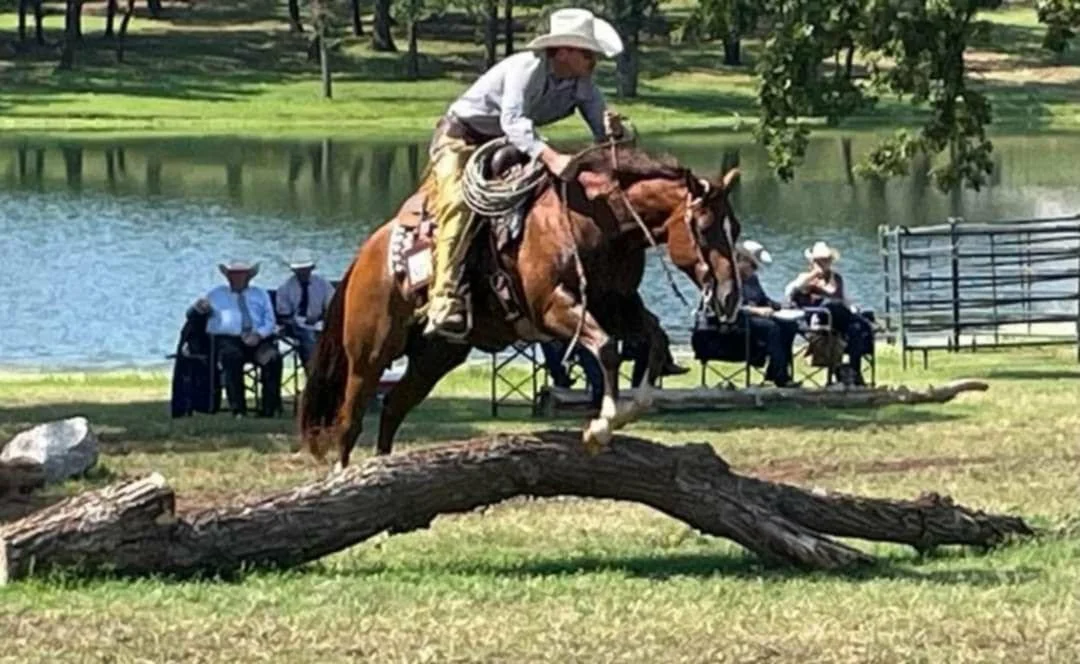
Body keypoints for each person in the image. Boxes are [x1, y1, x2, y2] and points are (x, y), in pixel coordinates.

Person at [421, 8, 626, 340]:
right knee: (458, 205)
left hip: (510, 146)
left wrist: (616, 132)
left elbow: (604, 133)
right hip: (462, 139)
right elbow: (513, 122)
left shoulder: (582, 83)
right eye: (588, 53)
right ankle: (443, 299)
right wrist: (552, 157)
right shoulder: (525, 68)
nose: (594, 61)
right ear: (563, 51)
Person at [190, 259, 282, 417]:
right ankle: (238, 409)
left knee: (273, 359)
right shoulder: (216, 294)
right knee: (231, 358)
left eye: (241, 275)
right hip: (228, 339)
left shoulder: (260, 294)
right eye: (233, 275)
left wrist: (258, 335)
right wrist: (199, 308)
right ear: (228, 277)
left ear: (248, 277)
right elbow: (194, 313)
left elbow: (270, 320)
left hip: (257, 339)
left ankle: (269, 409)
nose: (237, 278)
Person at [785, 241, 872, 385]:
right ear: (812, 262)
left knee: (857, 328)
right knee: (831, 305)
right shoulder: (806, 279)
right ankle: (862, 321)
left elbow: (847, 301)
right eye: (820, 261)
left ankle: (854, 370)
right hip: (818, 320)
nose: (824, 264)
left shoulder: (837, 278)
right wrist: (814, 274)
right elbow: (790, 291)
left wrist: (852, 309)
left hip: (840, 322)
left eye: (826, 260)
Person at [735, 240, 799, 387]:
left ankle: (775, 370)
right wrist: (757, 310)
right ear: (740, 261)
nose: (754, 269)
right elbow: (733, 307)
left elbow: (763, 300)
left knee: (790, 326)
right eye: (752, 265)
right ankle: (781, 377)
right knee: (773, 328)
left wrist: (781, 306)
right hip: (740, 321)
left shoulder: (752, 279)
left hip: (759, 319)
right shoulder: (730, 281)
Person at [275, 249, 335, 368]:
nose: (303, 272)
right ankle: (313, 371)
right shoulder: (285, 288)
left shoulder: (322, 284)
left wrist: (322, 320)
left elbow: (332, 307)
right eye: (299, 270)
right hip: (294, 326)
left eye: (305, 269)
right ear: (294, 271)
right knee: (307, 337)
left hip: (321, 323)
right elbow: (283, 316)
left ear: (311, 269)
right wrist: (299, 322)